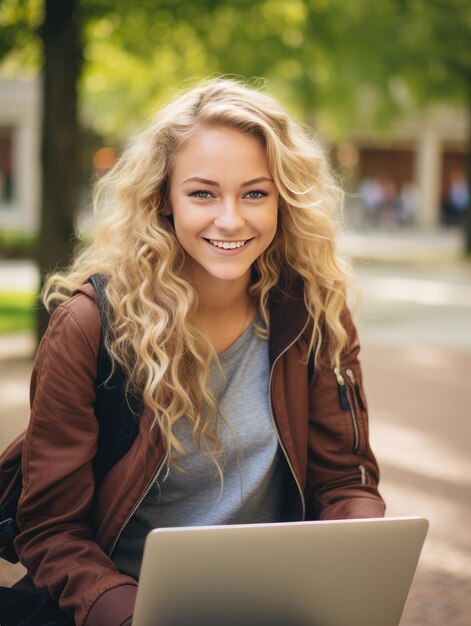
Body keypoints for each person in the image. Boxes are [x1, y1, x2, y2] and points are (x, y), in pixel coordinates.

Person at [14, 78, 385, 626]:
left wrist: (359, 552)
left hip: (276, 605)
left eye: (255, 193)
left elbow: (345, 480)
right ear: (164, 197)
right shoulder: (89, 325)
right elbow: (51, 529)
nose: (231, 219)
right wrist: (127, 614)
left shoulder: (314, 314)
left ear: (284, 199)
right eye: (203, 193)